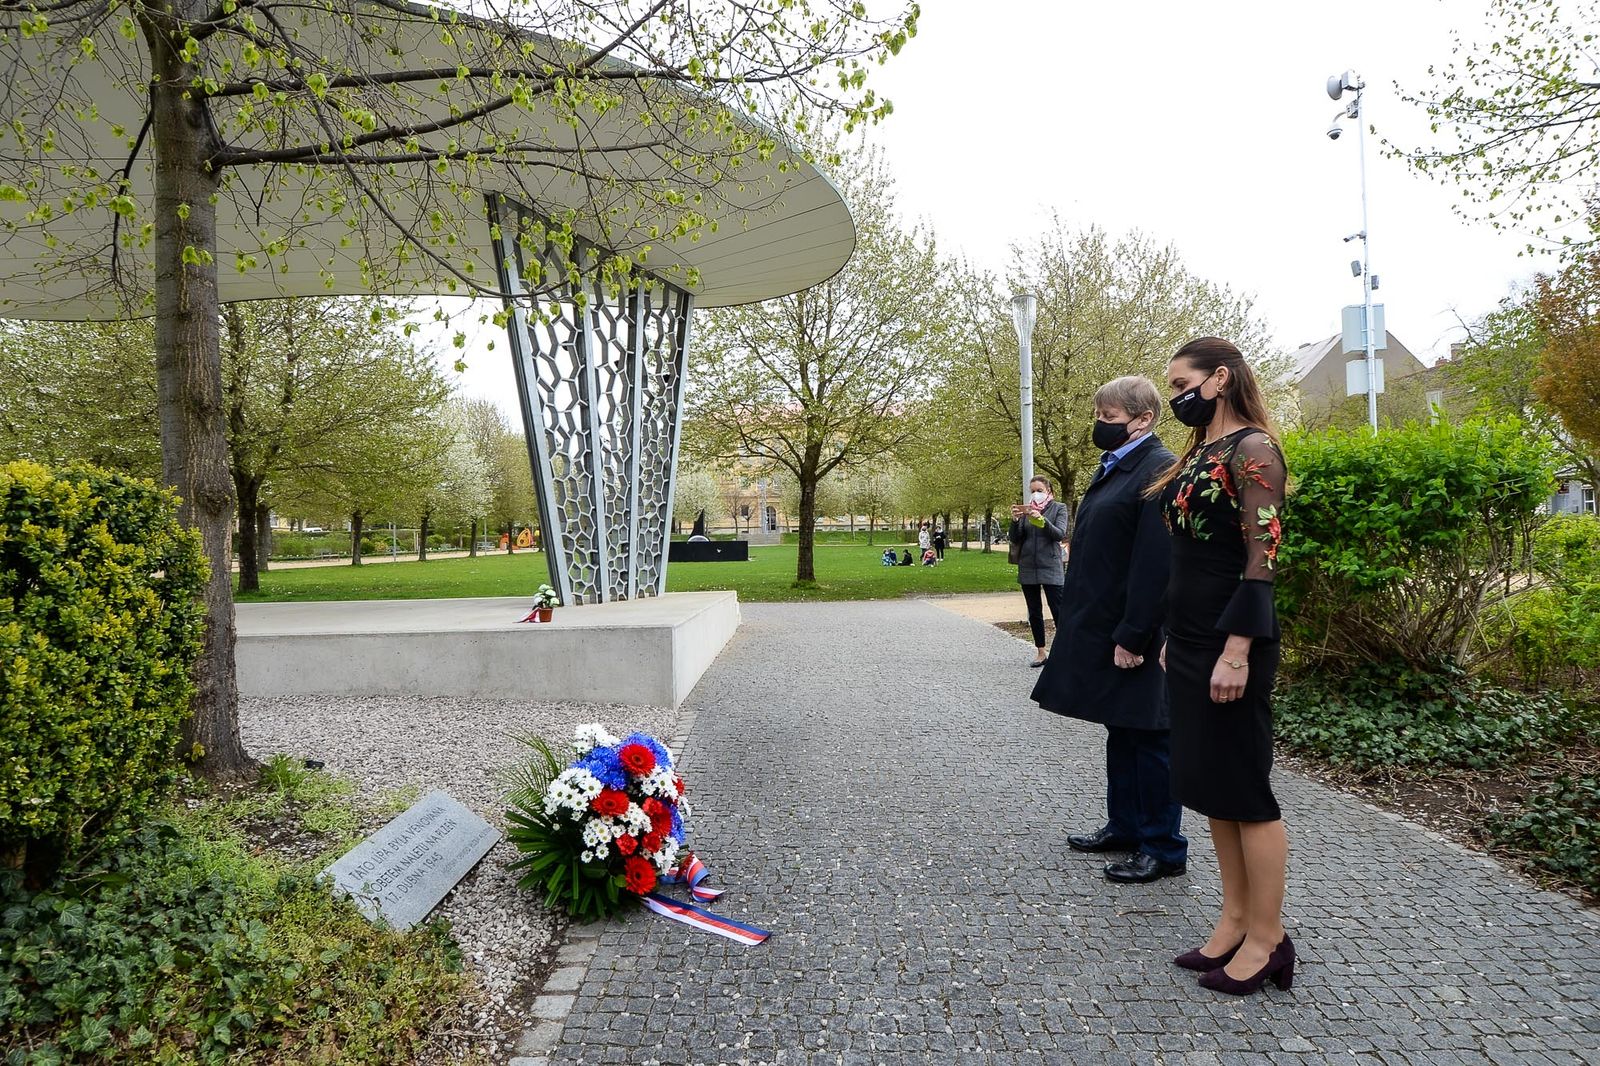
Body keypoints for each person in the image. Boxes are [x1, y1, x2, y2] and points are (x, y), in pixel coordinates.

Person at [1152, 336, 1292, 997]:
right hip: (1190, 639)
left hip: (1232, 642)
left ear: (1220, 378)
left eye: (1184, 381)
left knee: (1244, 789)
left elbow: (1262, 556)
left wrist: (1237, 648)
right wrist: (1173, 638)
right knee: (1210, 786)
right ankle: (1235, 917)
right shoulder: (1201, 452)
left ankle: (1269, 936)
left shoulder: (1254, 449)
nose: (1177, 392)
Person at [1032, 376, 1184, 885]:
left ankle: (1162, 845)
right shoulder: (1119, 465)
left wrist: (1135, 634)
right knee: (1122, 729)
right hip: (1106, 624)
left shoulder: (1159, 468)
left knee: (1151, 737)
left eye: (1110, 415)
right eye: (1099, 413)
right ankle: (1125, 826)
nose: (1101, 423)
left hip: (1136, 630)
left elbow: (1155, 562)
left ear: (1143, 419)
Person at [1010, 476, 1070, 668]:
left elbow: (1059, 534)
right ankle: (1041, 652)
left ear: (1049, 491)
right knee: (1034, 611)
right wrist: (1015, 520)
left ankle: (1064, 652)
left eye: (1039, 490)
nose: (1035, 493)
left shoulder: (1059, 508)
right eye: (1033, 490)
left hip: (1051, 565)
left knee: (1058, 610)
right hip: (1028, 566)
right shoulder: (1027, 510)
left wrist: (1042, 520)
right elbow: (1015, 537)